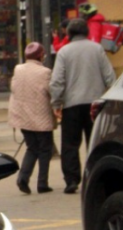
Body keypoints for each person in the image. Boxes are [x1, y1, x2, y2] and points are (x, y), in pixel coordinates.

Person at [50, 19, 116, 194]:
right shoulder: (97, 49)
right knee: (94, 143)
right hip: (96, 105)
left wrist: (56, 103)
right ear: (86, 32)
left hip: (71, 105)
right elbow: (111, 77)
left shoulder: (64, 52)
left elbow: (57, 81)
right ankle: (96, 177)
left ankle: (72, 180)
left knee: (70, 144)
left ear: (68, 34)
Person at [8, 43, 56, 195]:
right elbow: (51, 92)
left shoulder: (18, 69)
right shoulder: (45, 72)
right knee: (45, 150)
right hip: (41, 118)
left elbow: (13, 88)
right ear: (40, 56)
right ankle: (42, 183)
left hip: (23, 117)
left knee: (31, 148)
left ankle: (23, 177)